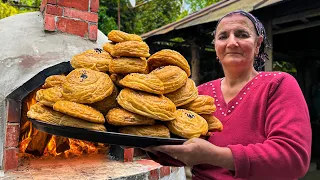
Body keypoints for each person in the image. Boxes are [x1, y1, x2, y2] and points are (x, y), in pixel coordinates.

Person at [145, 10, 312, 180]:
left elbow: (293, 158)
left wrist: (214, 155)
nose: (232, 42)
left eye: (242, 34)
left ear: (257, 44)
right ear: (216, 46)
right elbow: (178, 146)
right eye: (223, 36)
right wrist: (146, 143)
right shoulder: (199, 95)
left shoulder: (277, 85)